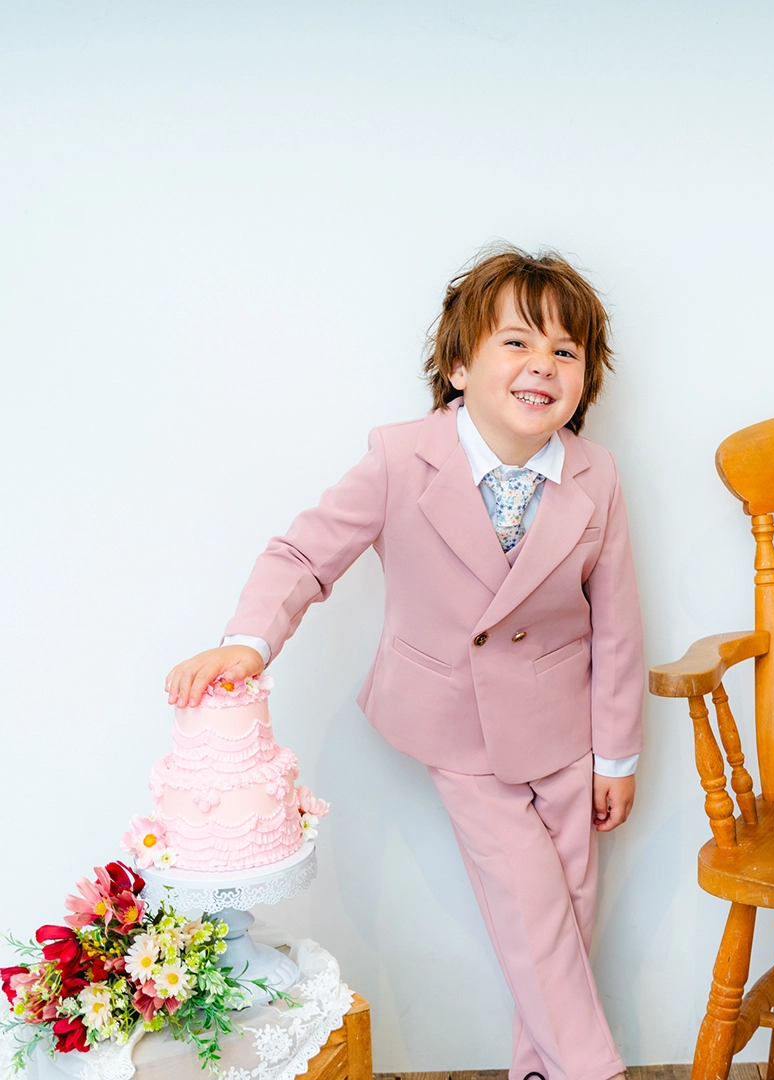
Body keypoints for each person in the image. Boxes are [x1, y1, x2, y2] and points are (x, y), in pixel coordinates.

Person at [165, 246, 645, 1080]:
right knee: (531, 911)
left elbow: (617, 622)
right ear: (459, 368)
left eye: (565, 351)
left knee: (566, 916)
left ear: (585, 380)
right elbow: (304, 554)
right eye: (517, 342)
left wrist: (617, 755)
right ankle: (596, 1072)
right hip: (457, 724)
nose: (543, 364)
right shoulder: (398, 458)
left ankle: (540, 1070)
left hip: (565, 725)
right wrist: (250, 639)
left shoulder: (595, 474)